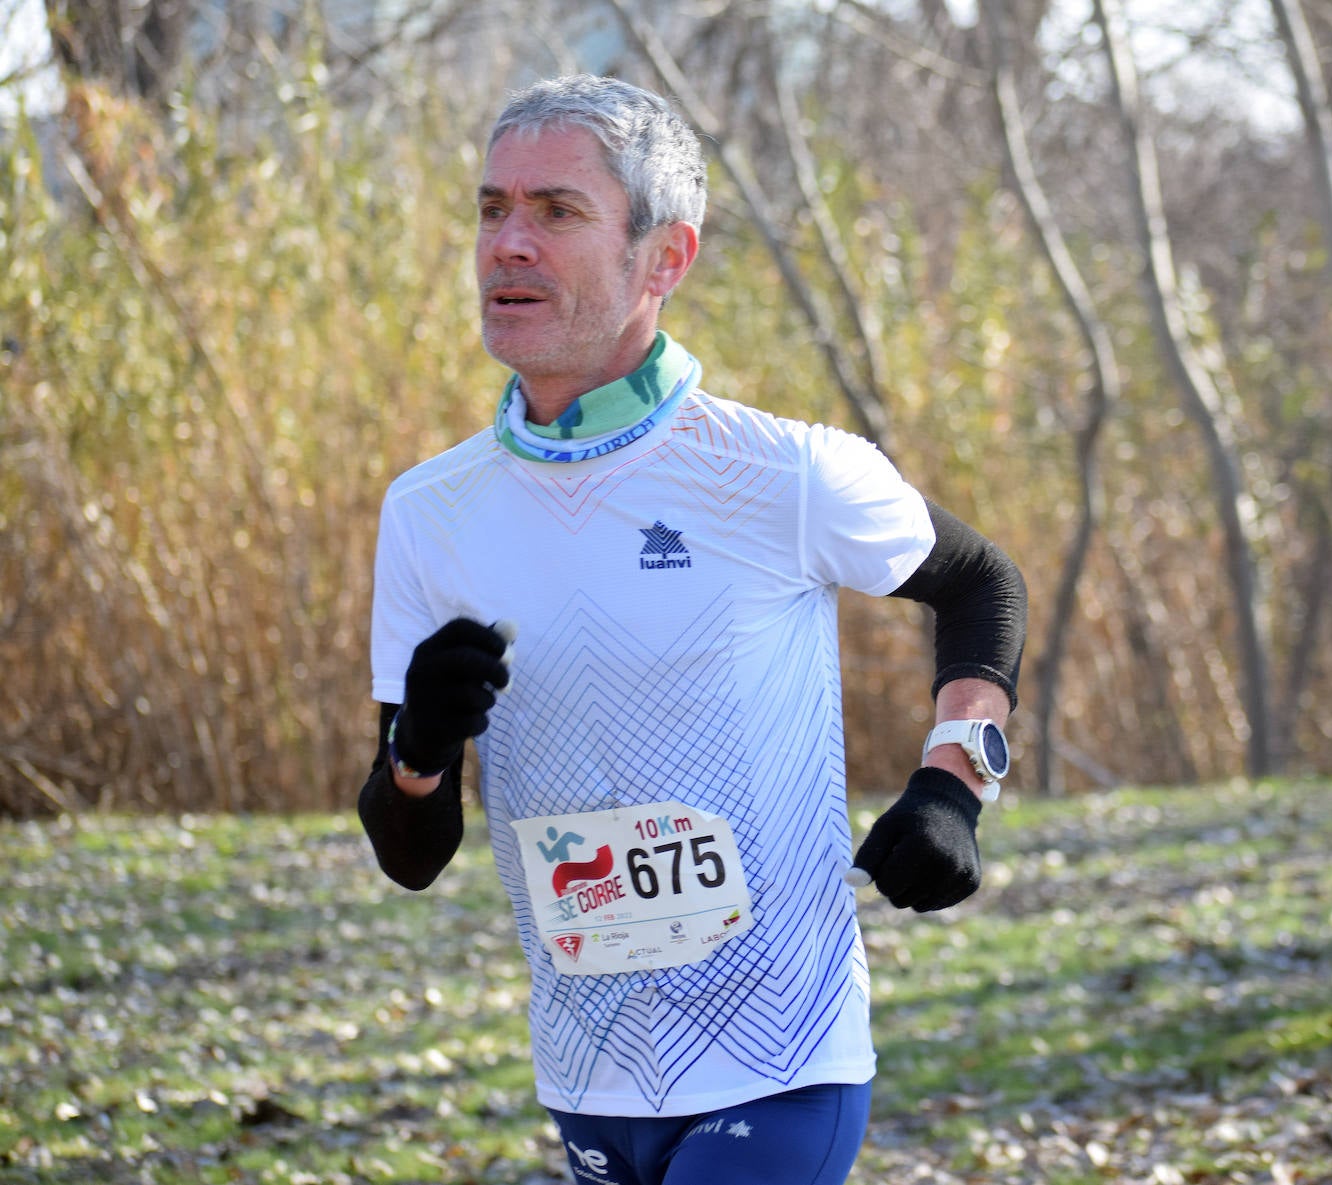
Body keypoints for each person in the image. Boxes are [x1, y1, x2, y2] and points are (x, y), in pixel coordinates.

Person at [358, 73, 1027, 1185]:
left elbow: (981, 582)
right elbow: (407, 849)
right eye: (492, 209)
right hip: (587, 1074)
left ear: (665, 257)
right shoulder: (430, 512)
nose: (508, 245)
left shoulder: (780, 471)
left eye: (556, 212)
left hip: (784, 1056)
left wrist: (955, 784)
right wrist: (419, 750)